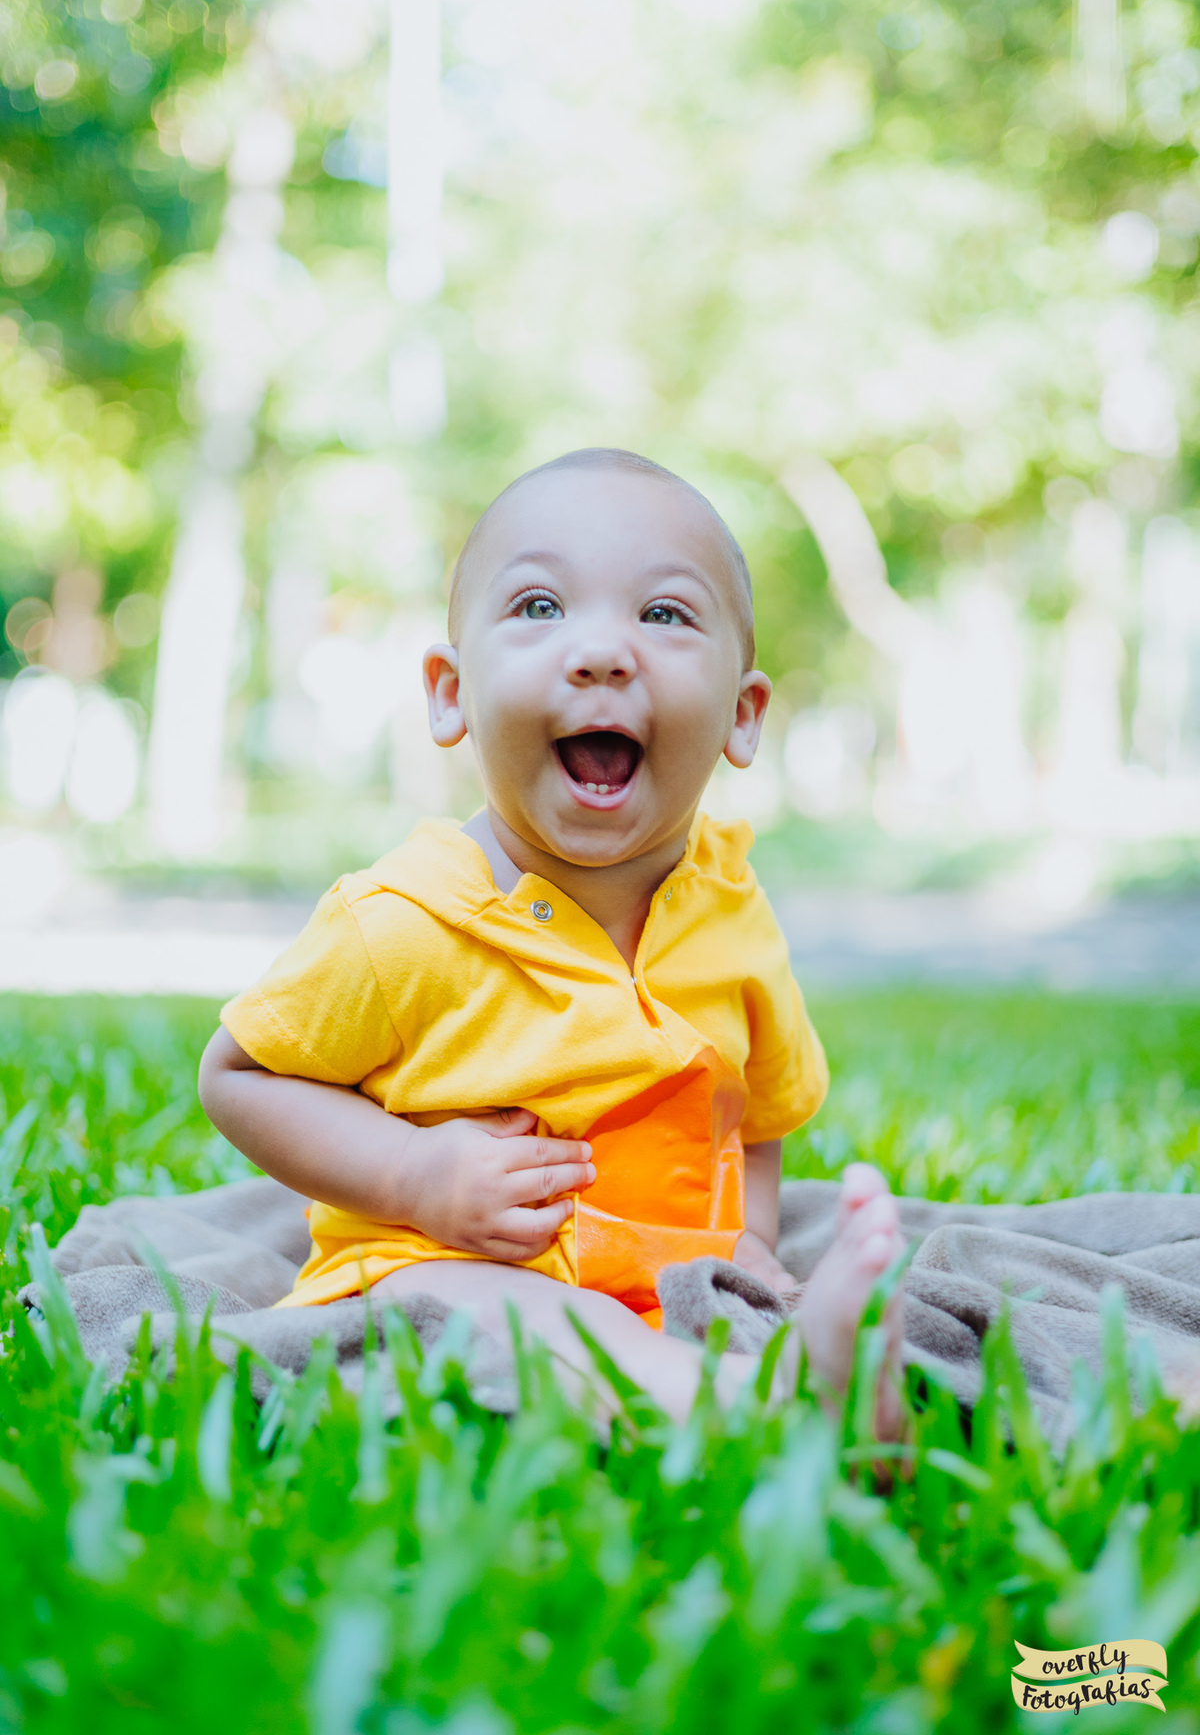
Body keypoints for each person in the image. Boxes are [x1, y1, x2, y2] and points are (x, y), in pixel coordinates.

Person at [199, 447, 905, 1428]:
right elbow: (241, 1077)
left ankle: (794, 1361)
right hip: (450, 1266)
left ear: (743, 716)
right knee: (494, 1314)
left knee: (734, 1304)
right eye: (540, 606)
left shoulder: (732, 910)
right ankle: (764, 1407)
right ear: (451, 692)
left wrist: (749, 1245)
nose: (602, 652)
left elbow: (754, 1117)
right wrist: (412, 1176)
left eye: (664, 614)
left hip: (662, 1277)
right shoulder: (406, 920)